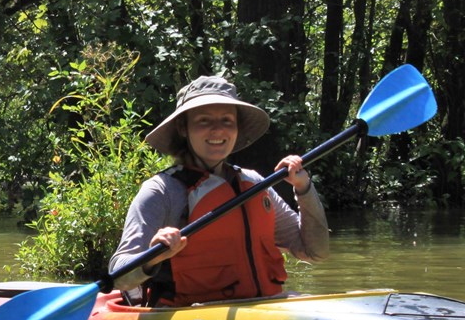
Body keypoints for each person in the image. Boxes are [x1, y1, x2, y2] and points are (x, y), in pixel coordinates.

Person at [109, 75, 329, 306]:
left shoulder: (254, 183)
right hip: (193, 318)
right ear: (184, 128)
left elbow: (315, 252)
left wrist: (304, 188)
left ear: (237, 127)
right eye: (204, 120)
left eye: (227, 120)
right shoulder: (162, 191)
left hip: (263, 309)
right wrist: (153, 258)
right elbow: (119, 275)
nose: (217, 130)